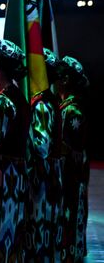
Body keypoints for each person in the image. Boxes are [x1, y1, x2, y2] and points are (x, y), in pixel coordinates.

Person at [0, 39, 30, 262]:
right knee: (11, 232)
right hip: (18, 176)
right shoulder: (21, 99)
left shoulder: (2, 101)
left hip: (3, 177)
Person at [25, 48, 63, 262]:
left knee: (39, 234)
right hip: (51, 176)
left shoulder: (41, 105)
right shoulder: (50, 100)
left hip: (42, 180)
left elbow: (41, 147)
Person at [57, 55, 89, 262]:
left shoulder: (72, 111)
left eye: (58, 76)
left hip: (71, 177)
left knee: (72, 212)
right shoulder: (66, 108)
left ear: (66, 80)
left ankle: (72, 253)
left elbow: (75, 151)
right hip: (68, 176)